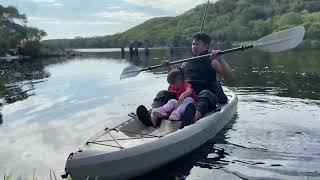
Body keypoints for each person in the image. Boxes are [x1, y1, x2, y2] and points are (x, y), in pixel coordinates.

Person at [136, 32, 235, 128]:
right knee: (163, 93)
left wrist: (221, 59)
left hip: (201, 96)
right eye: (193, 44)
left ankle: (192, 117)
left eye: (197, 44)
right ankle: (153, 116)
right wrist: (169, 67)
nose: (194, 46)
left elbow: (230, 76)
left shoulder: (213, 61)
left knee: (205, 94)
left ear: (206, 46)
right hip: (184, 95)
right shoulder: (186, 63)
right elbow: (176, 80)